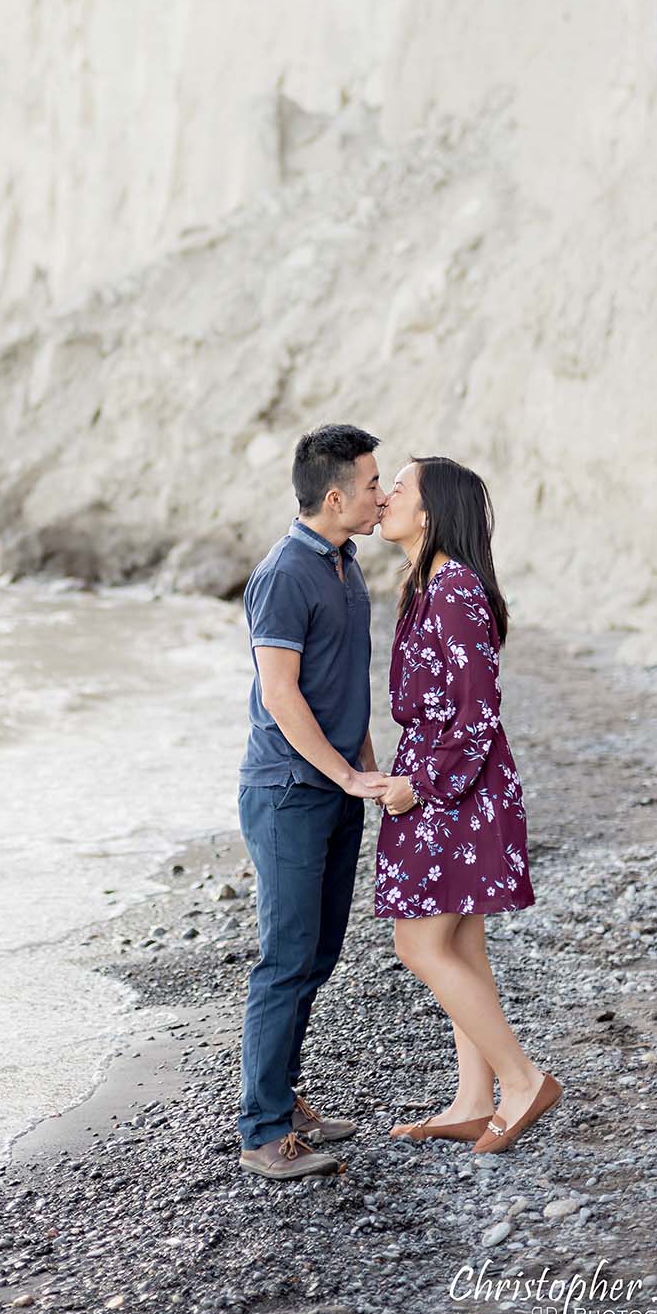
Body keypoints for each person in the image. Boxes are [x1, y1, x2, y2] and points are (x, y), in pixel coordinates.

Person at [373, 455, 560, 1153]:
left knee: (419, 941)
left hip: (457, 788)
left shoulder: (453, 589)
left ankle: (521, 1079)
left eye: (399, 487)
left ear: (430, 511)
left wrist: (420, 786)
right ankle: (474, 1099)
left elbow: (478, 710)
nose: (385, 496)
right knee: (459, 942)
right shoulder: (428, 583)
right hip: (451, 781)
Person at [237, 423, 391, 1180]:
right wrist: (348, 775)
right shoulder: (283, 574)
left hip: (333, 786)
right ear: (334, 497)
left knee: (320, 954)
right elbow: (281, 694)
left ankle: (285, 1100)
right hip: (287, 792)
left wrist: (365, 769)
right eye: (370, 483)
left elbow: (343, 686)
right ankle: (261, 1130)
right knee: (286, 959)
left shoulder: (345, 564)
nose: (381, 494)